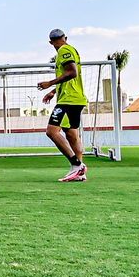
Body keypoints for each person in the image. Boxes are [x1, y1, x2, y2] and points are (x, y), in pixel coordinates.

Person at [38, 29, 88, 183]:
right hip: (75, 98)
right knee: (72, 135)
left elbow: (72, 72)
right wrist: (54, 91)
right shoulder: (71, 49)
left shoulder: (64, 50)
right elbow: (69, 75)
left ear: (52, 42)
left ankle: (77, 165)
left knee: (51, 131)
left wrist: (49, 84)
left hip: (69, 100)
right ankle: (78, 172)